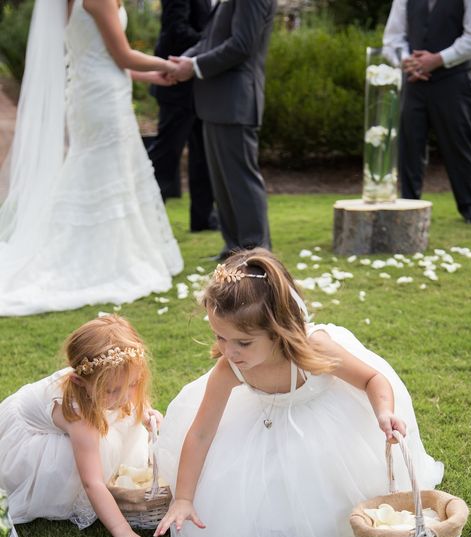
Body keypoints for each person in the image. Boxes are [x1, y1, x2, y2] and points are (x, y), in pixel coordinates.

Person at [155, 249, 443, 537]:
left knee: (325, 490)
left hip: (329, 424)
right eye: (220, 337)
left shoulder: (315, 350)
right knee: (267, 491)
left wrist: (384, 412)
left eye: (243, 342)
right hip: (266, 422)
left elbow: (372, 379)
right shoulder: (229, 367)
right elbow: (202, 432)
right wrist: (185, 498)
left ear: (278, 330)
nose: (229, 351)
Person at [0, 0, 183, 316]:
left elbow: (98, 54)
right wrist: (168, 66)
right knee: (107, 173)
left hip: (89, 92)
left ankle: (107, 254)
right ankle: (105, 262)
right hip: (104, 98)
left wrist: (151, 76)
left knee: (99, 173)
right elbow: (122, 54)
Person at [0, 314, 159, 537]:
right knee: (89, 455)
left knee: (117, 421)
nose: (124, 397)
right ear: (79, 382)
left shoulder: (108, 383)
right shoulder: (78, 413)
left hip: (80, 416)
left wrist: (145, 411)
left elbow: (125, 393)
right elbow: (92, 481)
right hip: (32, 436)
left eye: (132, 384)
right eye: (111, 390)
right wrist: (124, 533)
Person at [166, 0, 276, 259]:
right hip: (218, 102)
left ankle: (257, 254)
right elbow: (210, 41)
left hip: (236, 101)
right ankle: (234, 250)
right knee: (223, 184)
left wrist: (192, 67)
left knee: (241, 183)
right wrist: (183, 61)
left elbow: (242, 45)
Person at [383, 0, 471, 223]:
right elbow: (391, 40)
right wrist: (408, 62)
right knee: (409, 148)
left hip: (453, 81)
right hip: (414, 82)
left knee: (459, 145)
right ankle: (407, 208)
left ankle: (470, 207)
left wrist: (438, 59)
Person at [147, 0, 218, 233]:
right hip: (176, 87)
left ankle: (202, 218)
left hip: (199, 87)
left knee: (203, 156)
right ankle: (150, 217)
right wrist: (214, 44)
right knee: (166, 156)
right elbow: (175, 28)